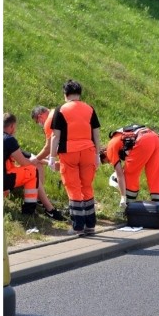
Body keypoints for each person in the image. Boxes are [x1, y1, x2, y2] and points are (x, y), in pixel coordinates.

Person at [48, 79, 102, 235]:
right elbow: (96, 135)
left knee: (73, 187)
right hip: (88, 151)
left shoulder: (61, 110)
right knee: (87, 186)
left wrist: (52, 157)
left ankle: (78, 227)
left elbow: (55, 137)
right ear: (79, 94)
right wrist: (97, 155)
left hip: (69, 153)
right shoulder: (89, 109)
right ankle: (90, 225)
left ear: (65, 94)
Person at [3, 113, 66, 220]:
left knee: (29, 166)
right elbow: (24, 162)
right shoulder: (8, 139)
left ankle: (44, 204)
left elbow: (26, 155)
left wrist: (47, 162)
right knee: (32, 171)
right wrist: (47, 162)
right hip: (3, 180)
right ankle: (32, 209)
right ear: (12, 126)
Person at [100, 124, 159, 205]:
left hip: (143, 140)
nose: (109, 162)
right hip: (154, 137)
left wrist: (123, 197)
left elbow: (120, 175)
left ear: (104, 153)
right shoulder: (117, 139)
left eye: (104, 161)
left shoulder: (110, 149)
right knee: (155, 173)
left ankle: (129, 206)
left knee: (129, 174)